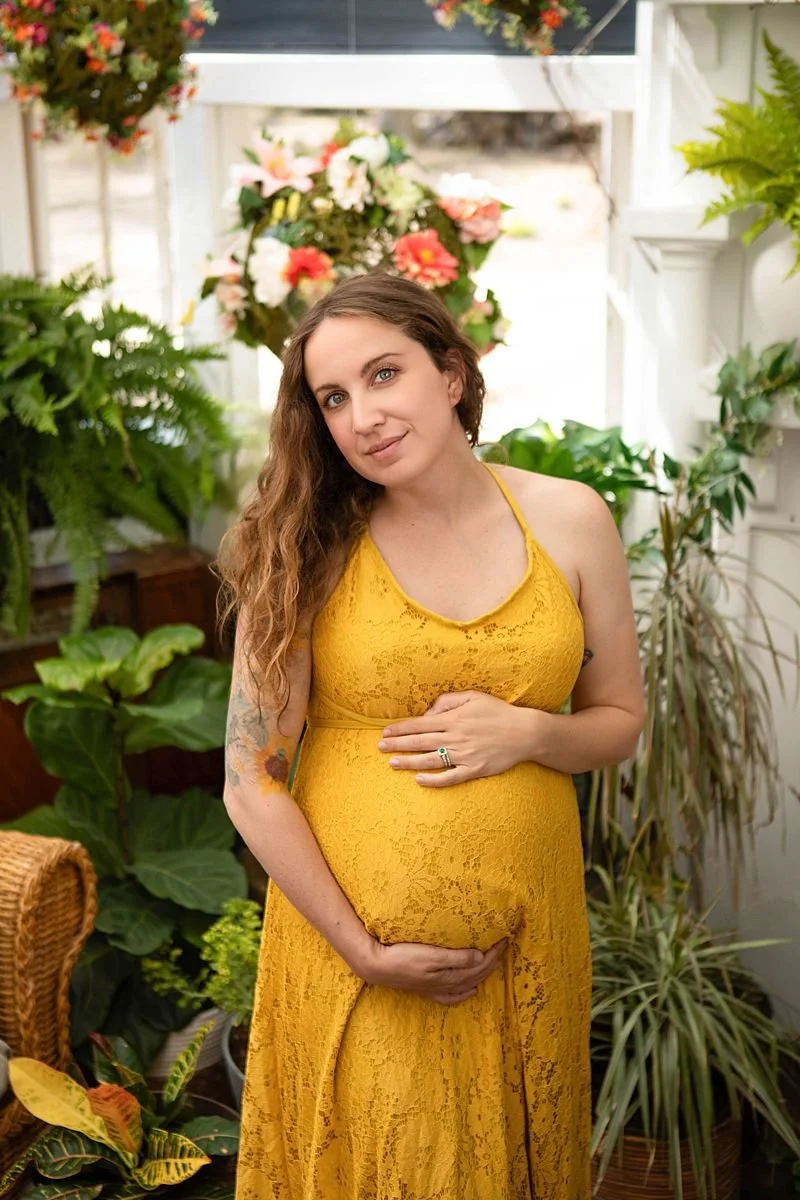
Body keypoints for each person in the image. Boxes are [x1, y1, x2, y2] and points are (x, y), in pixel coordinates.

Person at [218, 272, 644, 1200]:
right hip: (360, 962)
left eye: (384, 374)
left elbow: (618, 721)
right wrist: (363, 948)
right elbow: (251, 782)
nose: (362, 415)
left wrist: (529, 731)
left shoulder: (570, 519)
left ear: (450, 372)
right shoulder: (304, 545)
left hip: (531, 948)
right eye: (333, 397)